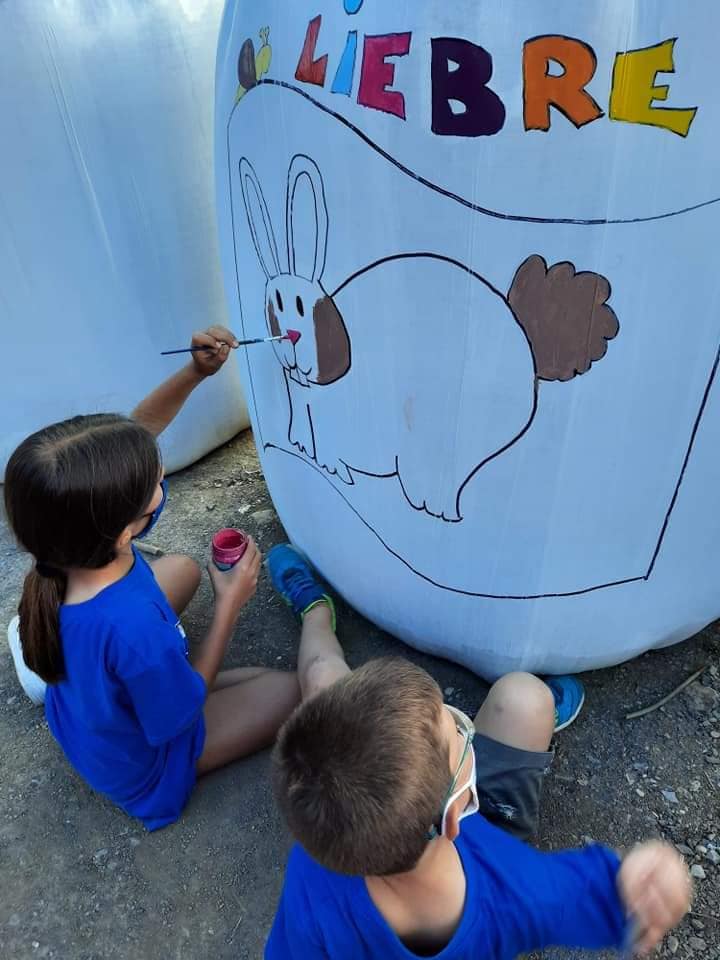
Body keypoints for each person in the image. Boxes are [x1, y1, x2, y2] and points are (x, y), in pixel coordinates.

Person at [264, 544, 691, 960]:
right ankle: (536, 717)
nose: (465, 726)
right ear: (456, 812)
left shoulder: (313, 870)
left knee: (323, 676)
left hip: (403, 829)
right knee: (524, 698)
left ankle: (315, 611)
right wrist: (647, 882)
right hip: (485, 842)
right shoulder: (511, 891)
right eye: (462, 731)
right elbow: (602, 900)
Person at [3, 328, 300, 830]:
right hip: (144, 762)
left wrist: (195, 373)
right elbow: (179, 714)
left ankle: (139, 682)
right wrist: (229, 603)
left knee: (182, 570)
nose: (160, 477)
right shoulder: (133, 628)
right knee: (290, 691)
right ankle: (155, 682)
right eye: (154, 483)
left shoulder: (59, 549)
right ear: (123, 530)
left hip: (92, 714)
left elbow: (138, 432)